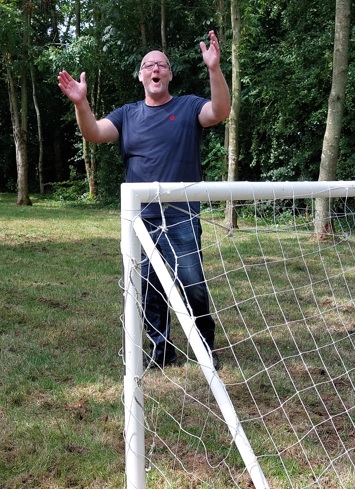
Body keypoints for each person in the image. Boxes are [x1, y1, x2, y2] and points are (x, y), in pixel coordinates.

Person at [58, 30, 231, 369]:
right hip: (140, 218)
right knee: (150, 288)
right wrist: (82, 103)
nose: (155, 69)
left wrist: (214, 69)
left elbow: (219, 112)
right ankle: (162, 351)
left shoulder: (188, 106)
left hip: (181, 214)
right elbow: (93, 133)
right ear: (141, 75)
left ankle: (204, 345)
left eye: (162, 65)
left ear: (169, 74)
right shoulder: (127, 114)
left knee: (192, 283)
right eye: (149, 65)